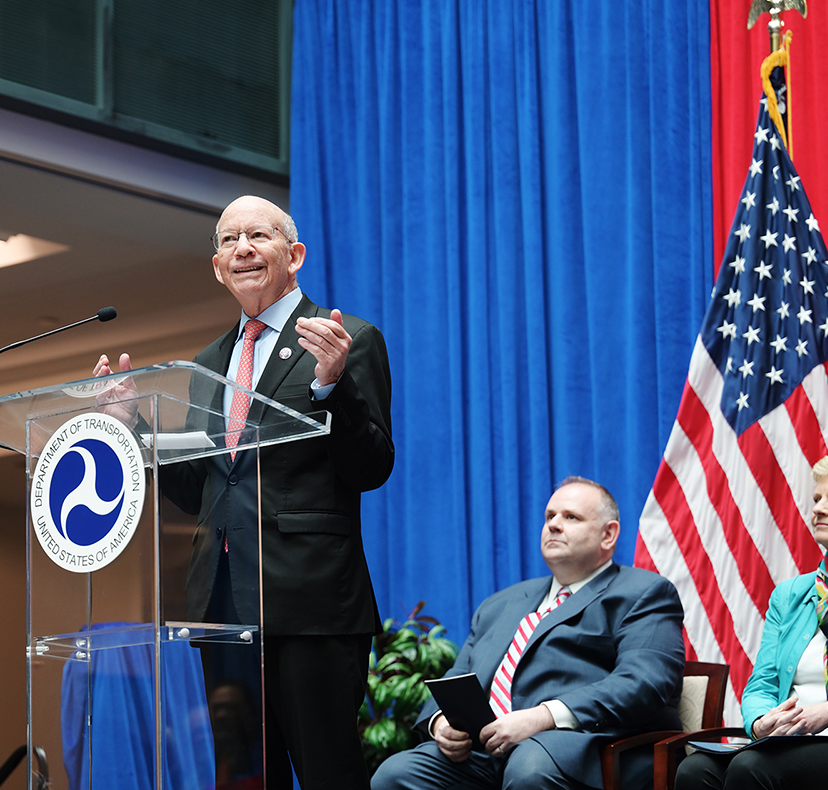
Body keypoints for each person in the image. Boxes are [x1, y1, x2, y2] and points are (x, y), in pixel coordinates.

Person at [93, 195, 394, 790]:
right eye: (229, 241)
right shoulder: (211, 361)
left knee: (328, 772)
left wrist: (334, 388)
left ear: (295, 254)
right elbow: (199, 486)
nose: (243, 250)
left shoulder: (345, 339)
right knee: (247, 779)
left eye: (258, 236)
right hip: (224, 604)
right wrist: (132, 427)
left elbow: (372, 466)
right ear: (216, 267)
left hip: (309, 601)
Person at [371, 477, 685, 790]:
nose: (554, 525)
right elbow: (458, 675)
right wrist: (441, 721)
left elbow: (644, 682)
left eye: (571, 517)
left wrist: (542, 717)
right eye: (550, 517)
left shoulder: (644, 593)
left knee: (528, 770)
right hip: (483, 753)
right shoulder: (500, 603)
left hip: (583, 747)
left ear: (608, 534)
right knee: (394, 774)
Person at [674, 447, 828, 790]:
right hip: (787, 740)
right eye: (817, 498)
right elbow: (761, 683)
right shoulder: (791, 594)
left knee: (752, 768)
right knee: (695, 769)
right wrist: (761, 722)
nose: (818, 508)